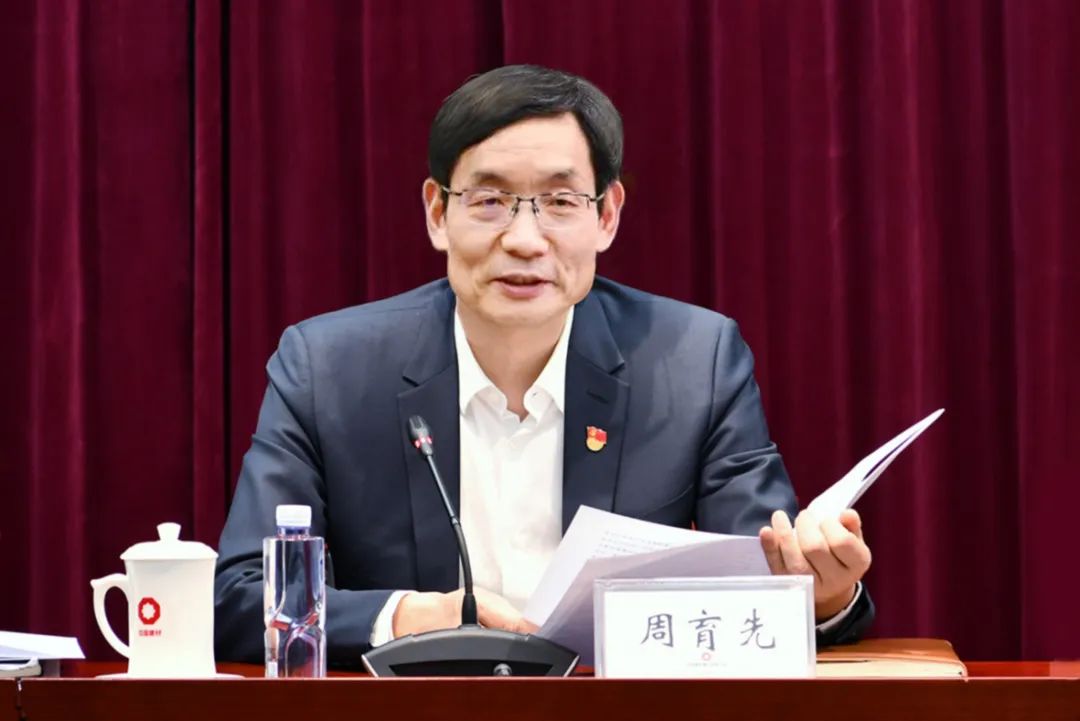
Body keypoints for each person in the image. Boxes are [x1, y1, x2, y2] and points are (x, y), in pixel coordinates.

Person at [214, 64, 874, 664]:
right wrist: (410, 618)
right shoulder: (329, 369)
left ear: (607, 216)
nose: (525, 240)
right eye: (489, 201)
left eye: (560, 202)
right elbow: (240, 597)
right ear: (438, 213)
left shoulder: (694, 361)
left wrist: (821, 595)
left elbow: (766, 584)